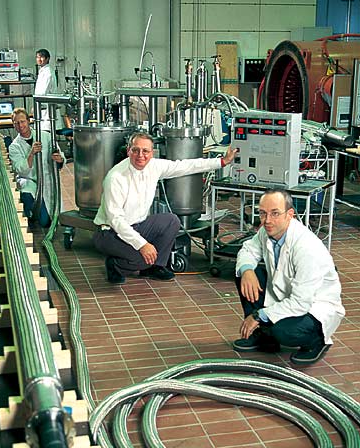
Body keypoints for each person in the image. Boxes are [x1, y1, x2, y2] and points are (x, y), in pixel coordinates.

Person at [93, 131, 238, 284]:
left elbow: (185, 166)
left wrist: (222, 162)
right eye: (135, 150)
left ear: (152, 152)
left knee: (171, 221)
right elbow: (116, 220)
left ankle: (155, 267)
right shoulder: (116, 177)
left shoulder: (154, 166)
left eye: (145, 151)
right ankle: (115, 265)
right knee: (142, 258)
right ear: (129, 151)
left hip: (137, 225)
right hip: (109, 233)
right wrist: (142, 245)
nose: (140, 155)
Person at [233, 189, 344, 366]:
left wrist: (258, 315)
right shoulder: (268, 231)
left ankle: (317, 342)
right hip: (287, 296)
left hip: (313, 307)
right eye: (263, 213)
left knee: (284, 331)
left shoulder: (306, 247)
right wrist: (247, 271)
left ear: (290, 214)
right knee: (245, 276)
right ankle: (264, 337)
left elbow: (301, 302)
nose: (267, 220)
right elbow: (248, 250)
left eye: (275, 213)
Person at [9, 107, 65, 227]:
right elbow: (20, 170)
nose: (20, 125)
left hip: (48, 180)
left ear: (28, 121)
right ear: (13, 125)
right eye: (16, 123)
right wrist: (31, 154)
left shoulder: (45, 136)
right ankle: (30, 215)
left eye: (22, 121)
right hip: (31, 181)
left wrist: (59, 159)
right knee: (44, 221)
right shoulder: (14, 146)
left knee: (56, 217)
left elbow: (60, 157)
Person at [35, 48, 57, 132]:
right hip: (43, 107)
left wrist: (36, 104)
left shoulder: (48, 72)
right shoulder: (43, 71)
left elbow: (42, 92)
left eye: (41, 57)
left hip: (46, 108)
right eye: (37, 57)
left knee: (46, 132)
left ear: (47, 59)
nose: (39, 59)